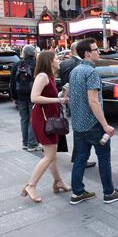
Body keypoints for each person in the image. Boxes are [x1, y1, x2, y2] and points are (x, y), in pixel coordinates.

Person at [68, 38, 118, 205]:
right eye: (95, 49)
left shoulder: (75, 71)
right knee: (104, 158)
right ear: (87, 54)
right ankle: (109, 192)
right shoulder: (91, 72)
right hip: (93, 124)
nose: (98, 52)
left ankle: (77, 193)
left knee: (80, 159)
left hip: (79, 124)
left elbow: (71, 96)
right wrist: (105, 125)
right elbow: (93, 101)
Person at [21, 51, 71, 203]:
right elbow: (34, 97)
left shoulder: (49, 76)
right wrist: (58, 99)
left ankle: (58, 182)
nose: (59, 60)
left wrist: (61, 95)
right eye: (56, 58)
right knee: (49, 156)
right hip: (43, 120)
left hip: (49, 119)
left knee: (52, 155)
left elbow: (49, 96)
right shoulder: (42, 76)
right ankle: (31, 185)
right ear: (49, 61)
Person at [59, 42, 96, 169]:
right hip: (82, 103)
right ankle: (80, 158)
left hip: (70, 100)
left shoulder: (64, 63)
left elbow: (64, 82)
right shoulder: (80, 65)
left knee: (77, 130)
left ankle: (78, 157)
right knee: (82, 134)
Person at [9, 45, 41, 152]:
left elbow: (12, 82)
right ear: (33, 54)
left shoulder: (16, 64)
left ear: (24, 53)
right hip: (33, 96)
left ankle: (25, 143)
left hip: (20, 95)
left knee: (24, 119)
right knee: (33, 119)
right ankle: (32, 143)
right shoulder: (36, 65)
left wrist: (13, 96)